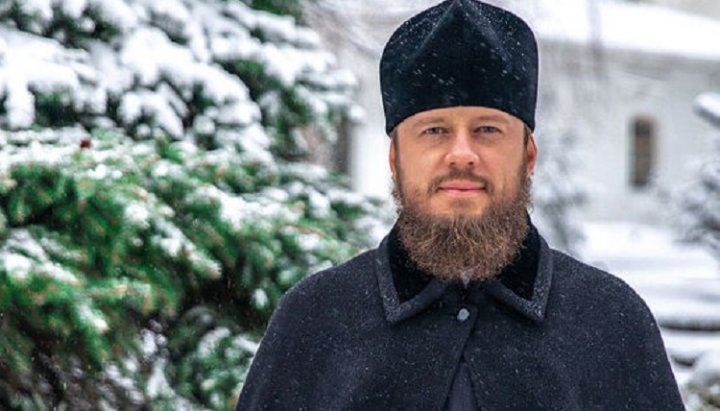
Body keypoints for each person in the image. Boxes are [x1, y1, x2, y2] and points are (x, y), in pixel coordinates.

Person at [235, 0, 685, 409]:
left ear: (528, 155)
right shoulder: (315, 321)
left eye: (488, 129)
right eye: (435, 131)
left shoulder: (610, 321)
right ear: (395, 159)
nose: (462, 154)